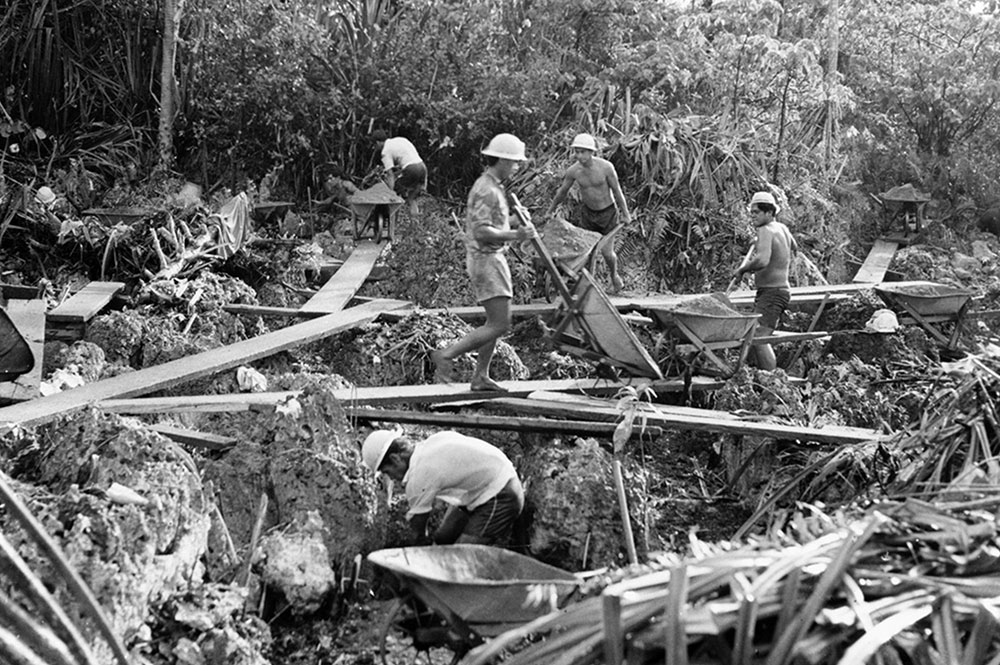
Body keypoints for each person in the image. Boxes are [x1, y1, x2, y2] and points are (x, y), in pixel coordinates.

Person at [429, 133, 537, 392]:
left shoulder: (494, 187)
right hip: (486, 259)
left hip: (491, 258)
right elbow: (481, 231)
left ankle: (480, 376)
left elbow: (493, 223)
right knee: (500, 323)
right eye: (513, 162)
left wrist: (513, 221)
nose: (516, 167)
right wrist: (516, 234)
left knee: (494, 322)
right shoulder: (486, 188)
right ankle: (446, 354)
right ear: (500, 159)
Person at [361, 429, 525, 547]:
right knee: (442, 538)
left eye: (387, 471)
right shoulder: (429, 444)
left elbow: (418, 529)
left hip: (502, 494)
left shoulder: (419, 476)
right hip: (484, 486)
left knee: (461, 557)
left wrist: (416, 552)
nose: (391, 478)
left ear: (396, 459)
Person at [545, 133, 632, 293]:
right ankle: (586, 284)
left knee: (607, 253)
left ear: (592, 152)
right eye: (577, 151)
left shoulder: (606, 168)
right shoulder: (574, 171)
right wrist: (550, 211)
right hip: (588, 214)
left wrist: (625, 213)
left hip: (608, 214)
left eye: (583, 152)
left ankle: (614, 278)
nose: (579, 155)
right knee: (584, 251)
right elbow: (562, 192)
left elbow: (617, 191)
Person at [733, 191, 798, 370]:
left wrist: (743, 269)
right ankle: (761, 375)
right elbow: (794, 246)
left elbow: (762, 260)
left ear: (769, 212)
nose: (752, 216)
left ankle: (771, 380)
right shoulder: (782, 228)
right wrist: (761, 242)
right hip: (778, 291)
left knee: (759, 338)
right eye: (751, 212)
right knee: (758, 335)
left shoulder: (765, 230)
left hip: (772, 293)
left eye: (756, 212)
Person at [372, 130, 426, 217]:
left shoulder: (385, 152)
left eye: (374, 145)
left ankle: (392, 224)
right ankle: (416, 225)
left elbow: (390, 175)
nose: (375, 148)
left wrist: (390, 192)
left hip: (412, 169)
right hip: (422, 167)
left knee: (394, 196)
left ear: (378, 142)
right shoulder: (400, 140)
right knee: (412, 198)